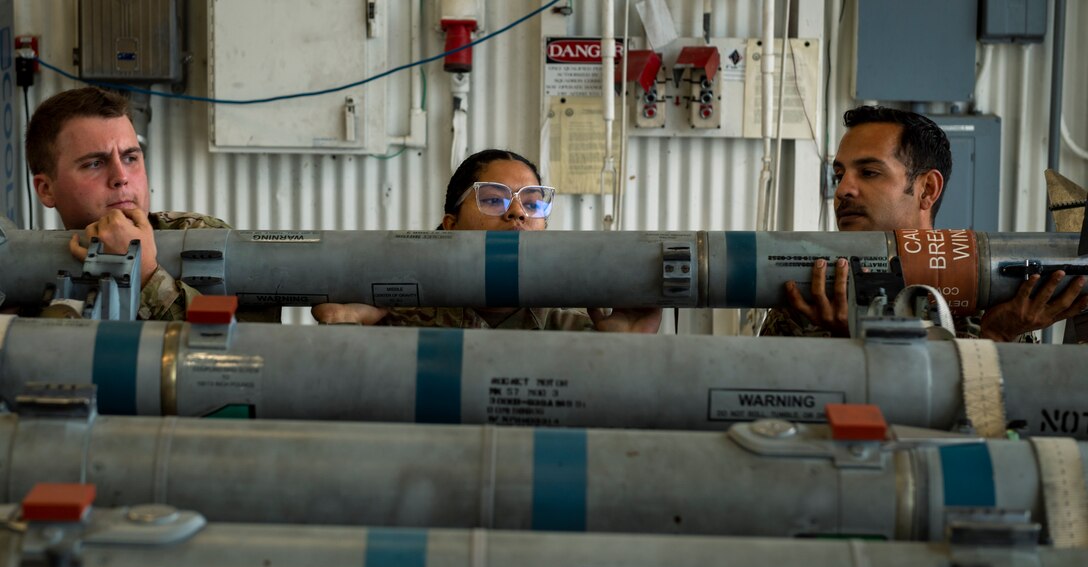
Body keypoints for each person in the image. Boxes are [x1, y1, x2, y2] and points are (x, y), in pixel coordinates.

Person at [761, 105, 1087, 340]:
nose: (843, 189)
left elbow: (998, 420)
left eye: (869, 172)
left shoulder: (990, 300)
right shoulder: (811, 290)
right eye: (839, 174)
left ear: (927, 189)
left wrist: (998, 334)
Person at [312, 149, 661, 333]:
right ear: (451, 225)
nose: (517, 213)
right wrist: (348, 328)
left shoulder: (578, 330)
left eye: (532, 202)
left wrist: (625, 350)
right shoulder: (397, 322)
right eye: (494, 199)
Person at [26, 86, 277, 322]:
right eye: (95, 163)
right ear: (46, 189)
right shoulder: (24, 265)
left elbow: (248, 354)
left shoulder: (204, 238)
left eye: (130, 157)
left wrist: (147, 274)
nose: (121, 177)